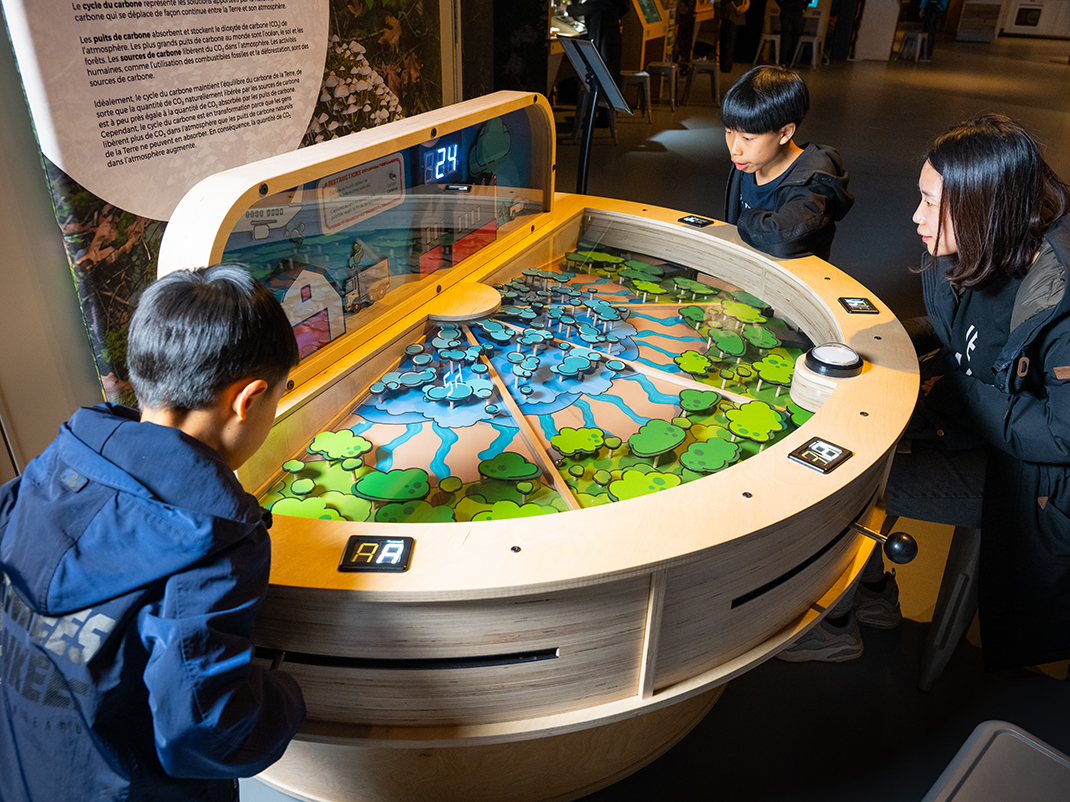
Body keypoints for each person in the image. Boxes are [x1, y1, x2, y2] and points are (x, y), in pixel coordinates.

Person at [0, 265, 307, 800]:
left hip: (26, 770)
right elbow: (204, 726)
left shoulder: (51, 466)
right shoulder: (221, 539)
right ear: (249, 399)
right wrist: (289, 696)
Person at [781, 114, 1070, 671]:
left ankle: (835, 624)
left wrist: (962, 391)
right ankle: (873, 596)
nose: (916, 217)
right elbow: (957, 326)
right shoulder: (979, 245)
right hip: (966, 422)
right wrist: (882, 339)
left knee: (850, 482)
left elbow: (1060, 435)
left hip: (1031, 476)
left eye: (932, 203)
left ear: (987, 207)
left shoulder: (1060, 298)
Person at [721, 65, 853, 261]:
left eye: (748, 138)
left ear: (785, 133)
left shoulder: (812, 181)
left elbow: (780, 239)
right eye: (729, 132)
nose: (735, 149)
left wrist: (744, 221)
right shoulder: (749, 162)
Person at [720, 0, 751, 74]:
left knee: (728, 38)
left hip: (731, 8)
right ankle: (725, 64)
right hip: (735, 7)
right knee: (729, 38)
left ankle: (726, 65)